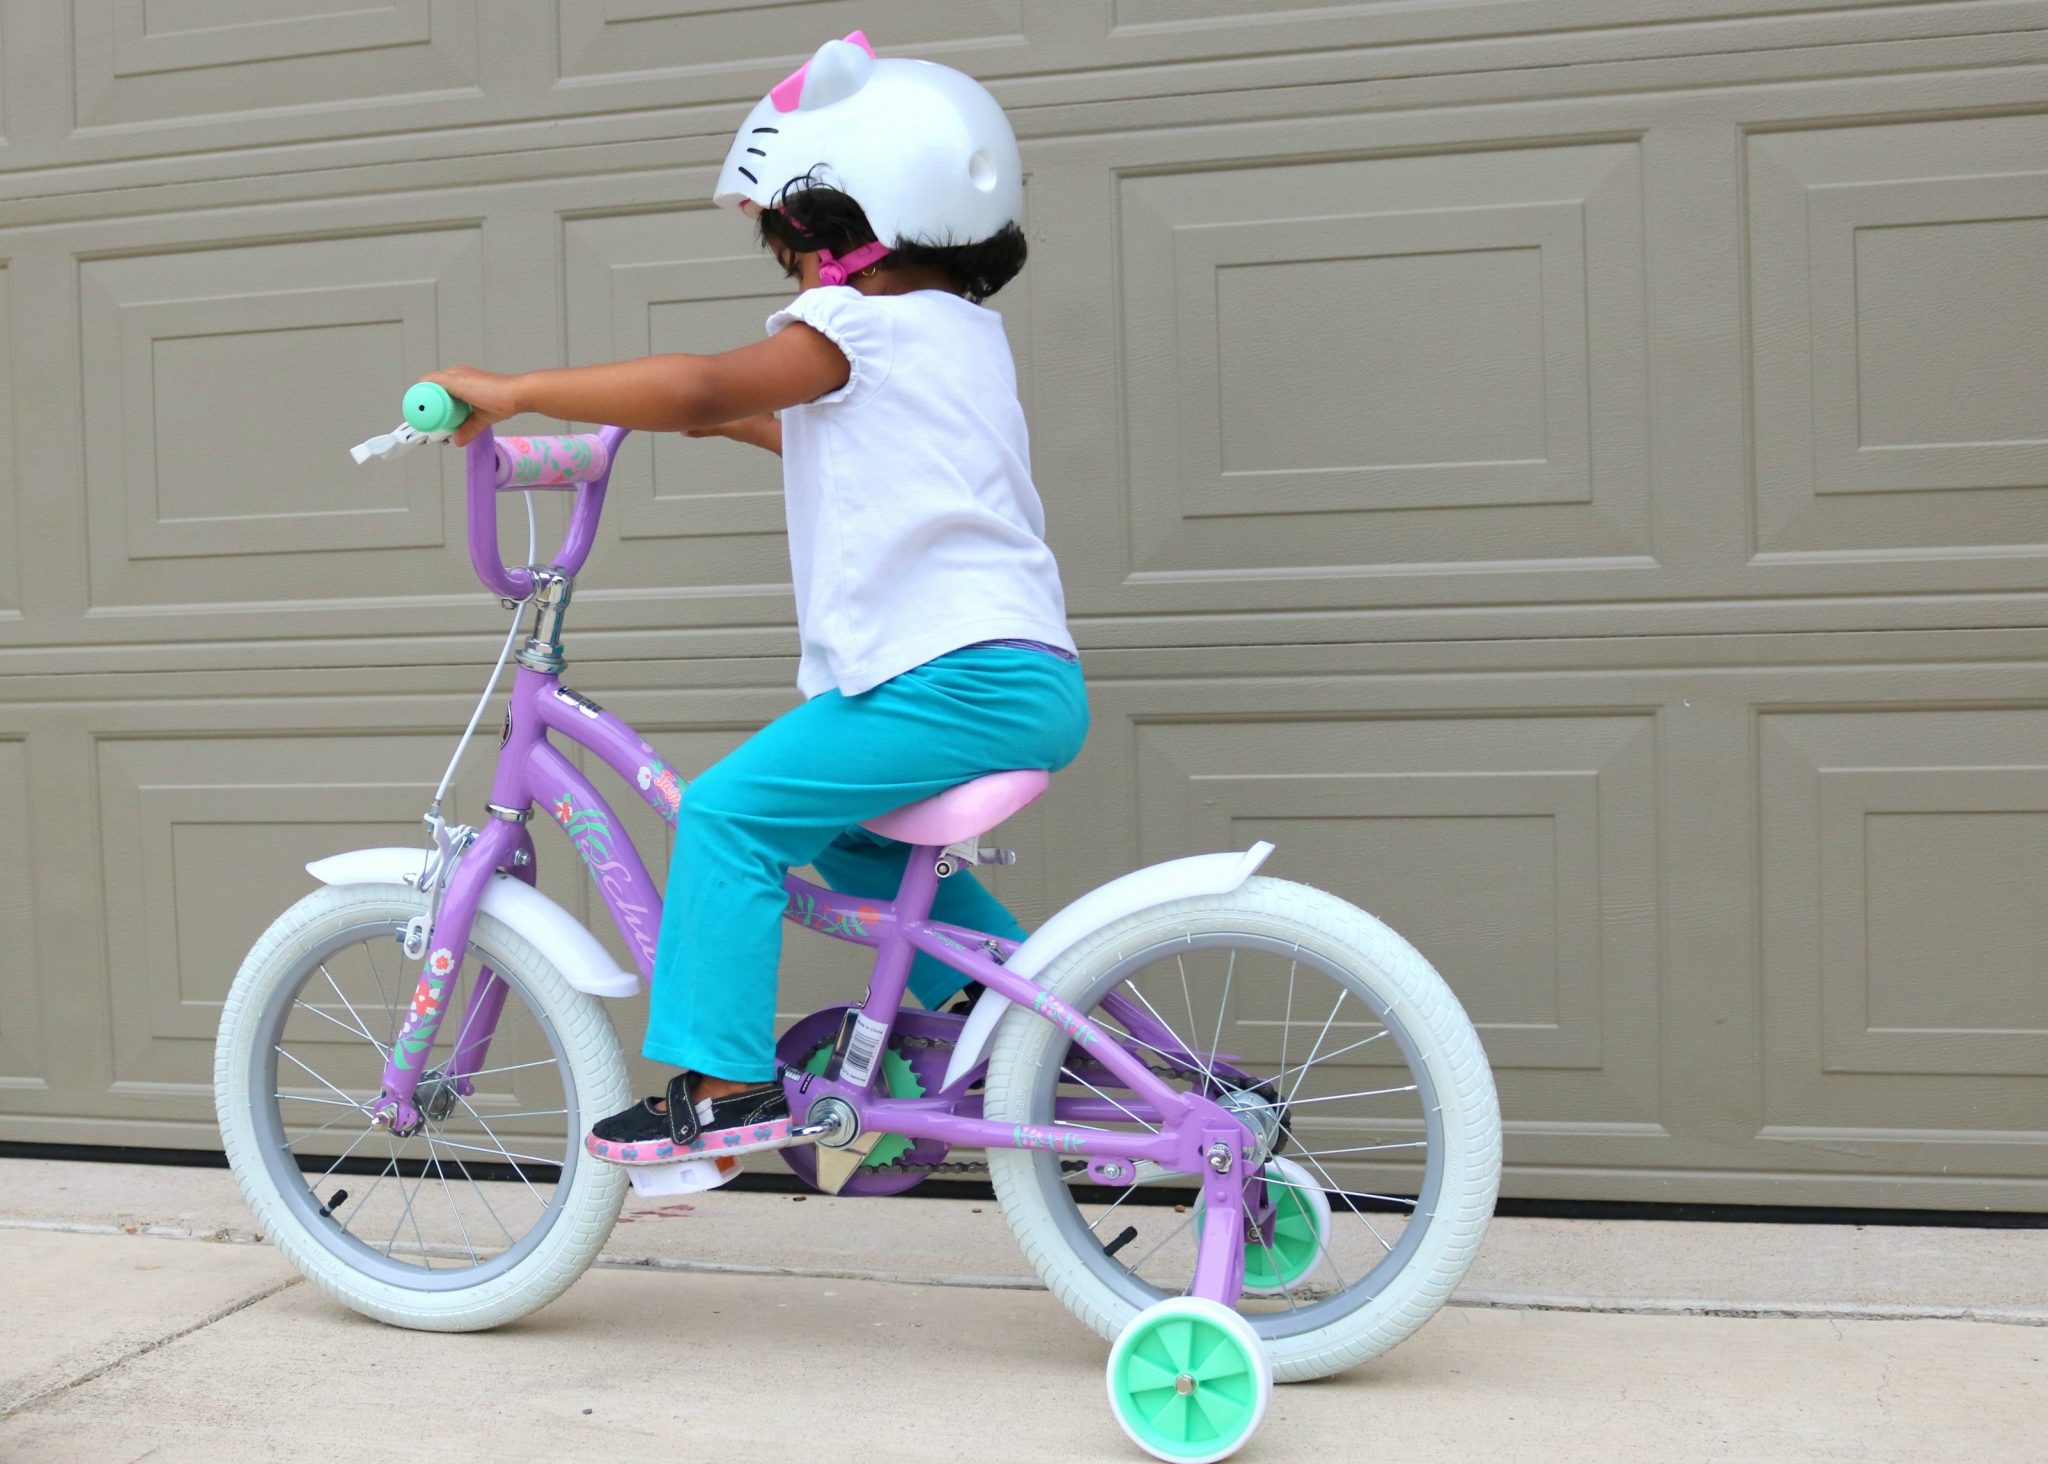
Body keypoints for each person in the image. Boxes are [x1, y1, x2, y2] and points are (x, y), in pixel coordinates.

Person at [421, 31, 1086, 1166]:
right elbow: (832, 439)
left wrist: (517, 388)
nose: (784, 263)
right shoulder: (959, 334)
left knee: (727, 817)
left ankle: (724, 1088)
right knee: (859, 844)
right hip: (1017, 675)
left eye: (780, 233)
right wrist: (703, 420)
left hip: (951, 676)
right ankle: (1014, 1015)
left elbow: (703, 381)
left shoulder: (850, 326)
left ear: (835, 226)